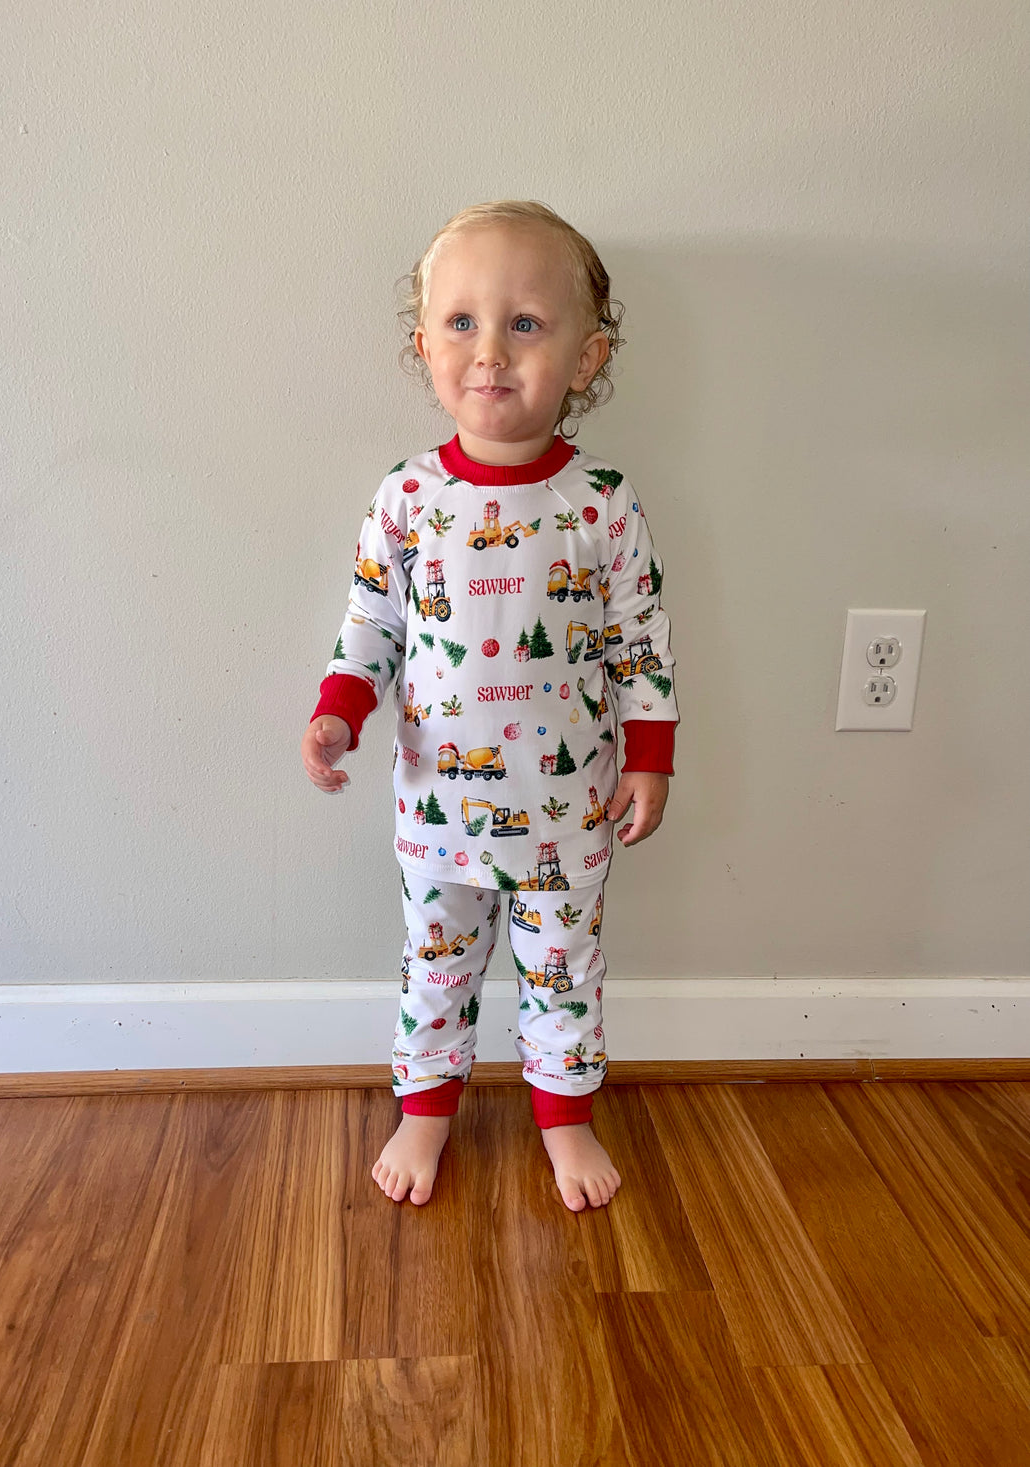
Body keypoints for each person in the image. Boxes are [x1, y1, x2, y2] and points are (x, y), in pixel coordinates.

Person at [302, 201, 678, 1212]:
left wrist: (650, 754)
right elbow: (371, 622)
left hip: (566, 812)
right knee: (436, 970)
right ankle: (423, 1112)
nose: (490, 351)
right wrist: (339, 710)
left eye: (525, 323)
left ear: (585, 356)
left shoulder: (600, 503)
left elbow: (639, 641)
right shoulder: (406, 499)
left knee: (562, 975)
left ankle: (565, 1121)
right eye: (460, 322)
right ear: (421, 344)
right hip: (438, 812)